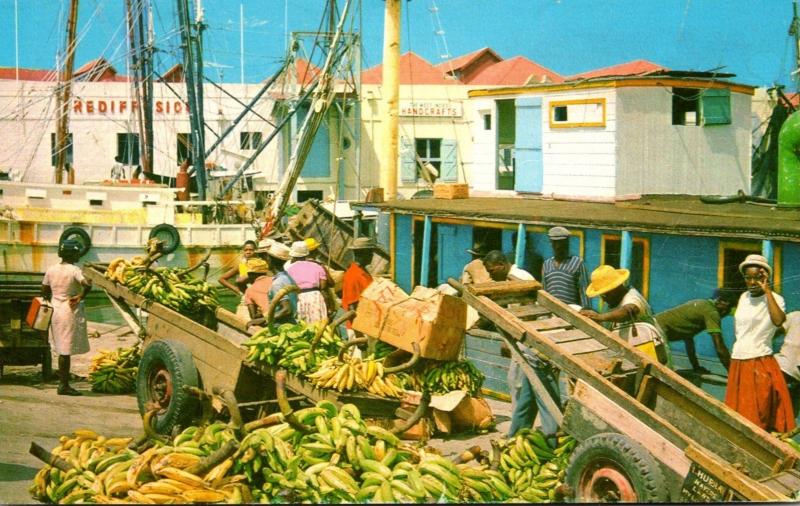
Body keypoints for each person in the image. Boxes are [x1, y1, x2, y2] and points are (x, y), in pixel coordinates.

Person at [725, 254, 794, 432]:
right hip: (739, 360)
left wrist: (767, 291)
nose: (752, 282)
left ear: (765, 277)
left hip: (759, 361)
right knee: (738, 414)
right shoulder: (743, 298)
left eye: (757, 278)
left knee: (759, 413)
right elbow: (741, 331)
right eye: (748, 278)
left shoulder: (776, 300)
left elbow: (779, 321)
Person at [580, 265, 668, 364]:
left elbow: (627, 311)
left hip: (652, 352)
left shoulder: (632, 298)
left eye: (605, 294)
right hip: (631, 357)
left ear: (616, 288)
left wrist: (600, 317)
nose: (603, 299)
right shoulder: (609, 304)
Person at [42, 240, 92, 396]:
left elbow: (44, 289)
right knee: (65, 350)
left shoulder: (51, 269)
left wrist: (51, 300)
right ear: (72, 254)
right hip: (69, 310)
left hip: (55, 310)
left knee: (61, 347)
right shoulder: (74, 270)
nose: (78, 255)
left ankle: (63, 383)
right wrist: (80, 296)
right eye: (76, 253)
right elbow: (87, 284)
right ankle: (63, 386)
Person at [655, 289, 736, 374]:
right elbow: (719, 347)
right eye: (728, 307)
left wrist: (696, 367)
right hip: (655, 333)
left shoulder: (701, 303)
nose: (727, 312)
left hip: (649, 329)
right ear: (719, 300)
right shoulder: (712, 312)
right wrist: (732, 373)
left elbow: (688, 339)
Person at [541, 226, 590, 309]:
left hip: (571, 312)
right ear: (551, 243)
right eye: (555, 243)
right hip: (551, 313)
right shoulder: (546, 264)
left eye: (561, 243)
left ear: (567, 243)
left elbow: (584, 292)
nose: (558, 246)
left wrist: (586, 312)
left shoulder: (577, 263)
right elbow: (544, 291)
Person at [286, 240, 332, 324]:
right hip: (315, 297)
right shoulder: (317, 266)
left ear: (293, 255)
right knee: (319, 324)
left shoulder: (289, 269)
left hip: (299, 298)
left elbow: (288, 288)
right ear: (307, 254)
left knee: (303, 325)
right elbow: (323, 286)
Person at [218, 240, 257, 319]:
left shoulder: (260, 265)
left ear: (255, 251)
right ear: (243, 251)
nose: (248, 252)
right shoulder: (241, 266)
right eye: (246, 250)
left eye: (251, 250)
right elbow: (221, 279)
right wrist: (236, 289)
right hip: (246, 298)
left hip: (258, 298)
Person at [341, 237, 376, 324]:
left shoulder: (363, 272)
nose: (372, 255)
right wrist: (358, 330)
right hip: (359, 325)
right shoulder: (353, 275)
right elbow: (352, 305)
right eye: (370, 252)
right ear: (361, 254)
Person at [264, 242, 297, 325]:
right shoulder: (288, 278)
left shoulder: (277, 283)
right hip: (292, 324)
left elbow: (287, 309)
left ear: (270, 260)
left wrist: (266, 319)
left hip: (280, 327)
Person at [776, 311, 800, 420]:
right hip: (792, 374)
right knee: (789, 417)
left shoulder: (795, 315)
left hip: (778, 366)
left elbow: (771, 333)